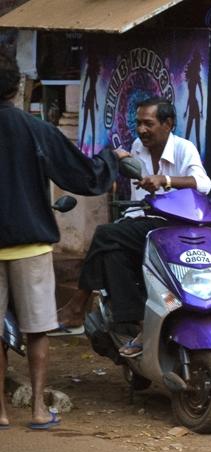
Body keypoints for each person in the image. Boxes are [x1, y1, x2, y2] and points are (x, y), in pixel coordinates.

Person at [0, 51, 120, 429]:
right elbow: (83, 174)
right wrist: (111, 159)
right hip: (31, 245)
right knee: (37, 329)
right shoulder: (36, 130)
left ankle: (0, 412)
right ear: (18, 87)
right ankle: (37, 409)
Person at [55, 97, 211, 358]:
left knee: (105, 235)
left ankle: (78, 304)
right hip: (142, 222)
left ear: (168, 123)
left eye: (148, 123)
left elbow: (203, 183)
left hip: (174, 226)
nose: (141, 130)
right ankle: (137, 325)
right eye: (138, 123)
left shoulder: (184, 149)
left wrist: (166, 179)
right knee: (112, 252)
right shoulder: (138, 147)